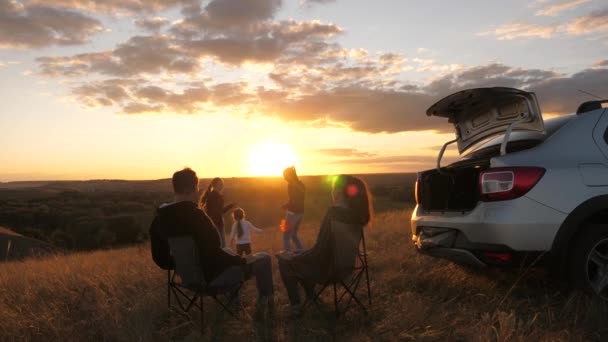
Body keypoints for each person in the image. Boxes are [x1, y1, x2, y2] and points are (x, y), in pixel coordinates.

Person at [149, 168, 274, 303]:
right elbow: (216, 254)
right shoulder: (197, 217)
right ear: (188, 190)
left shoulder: (160, 220)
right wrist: (242, 261)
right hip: (211, 279)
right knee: (264, 258)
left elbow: (160, 259)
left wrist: (182, 264)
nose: (198, 193)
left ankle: (234, 302)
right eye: (196, 189)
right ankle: (266, 301)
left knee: (228, 250)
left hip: (189, 280)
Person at [276, 175, 373, 316]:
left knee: (285, 261)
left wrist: (293, 256)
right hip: (346, 267)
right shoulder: (358, 214)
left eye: (333, 188)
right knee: (297, 256)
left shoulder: (334, 213)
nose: (332, 192)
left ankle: (296, 307)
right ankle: (312, 298)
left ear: (339, 192)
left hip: (328, 270)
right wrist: (298, 254)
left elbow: (318, 252)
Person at [199, 177, 235, 248]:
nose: (222, 186)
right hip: (214, 224)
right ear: (214, 185)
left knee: (222, 246)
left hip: (219, 223)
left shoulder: (218, 196)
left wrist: (230, 206)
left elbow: (220, 211)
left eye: (222, 184)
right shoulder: (212, 196)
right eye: (220, 184)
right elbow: (216, 211)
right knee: (221, 246)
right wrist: (230, 206)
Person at [281, 166, 305, 252]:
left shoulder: (291, 186)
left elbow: (293, 201)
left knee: (285, 237)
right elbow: (299, 199)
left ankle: (288, 257)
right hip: (301, 213)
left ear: (289, 175)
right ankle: (303, 253)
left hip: (292, 213)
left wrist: (285, 206)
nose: (284, 178)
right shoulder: (301, 184)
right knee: (294, 235)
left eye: (285, 176)